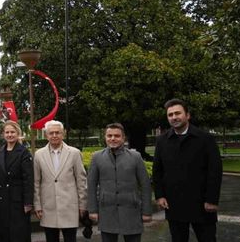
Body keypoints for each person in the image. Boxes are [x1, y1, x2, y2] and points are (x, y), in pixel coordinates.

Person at [153, 99, 222, 242]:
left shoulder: (205, 139)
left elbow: (214, 171)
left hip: (202, 204)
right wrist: (159, 196)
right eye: (170, 115)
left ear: (187, 115)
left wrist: (212, 200)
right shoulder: (162, 141)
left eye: (177, 113)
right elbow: (157, 170)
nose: (174, 117)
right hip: (174, 204)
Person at [87, 123, 152, 242]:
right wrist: (92, 210)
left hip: (132, 211)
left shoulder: (135, 157)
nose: (113, 138)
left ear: (123, 138)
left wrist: (146, 211)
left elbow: (145, 185)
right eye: (109, 135)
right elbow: (91, 185)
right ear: (105, 137)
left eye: (117, 136)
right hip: (107, 211)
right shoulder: (97, 157)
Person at [33, 120, 87, 242]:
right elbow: (36, 182)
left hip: (70, 206)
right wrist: (37, 205)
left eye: (58, 132)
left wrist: (82, 204)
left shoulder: (74, 153)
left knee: (70, 239)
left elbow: (81, 180)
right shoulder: (39, 155)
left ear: (63, 134)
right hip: (48, 207)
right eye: (51, 133)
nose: (54, 135)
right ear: (46, 135)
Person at [0, 121, 33, 242]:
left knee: (18, 234)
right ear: (3, 134)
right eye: (7, 132)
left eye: (12, 132)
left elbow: (28, 179)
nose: (10, 135)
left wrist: (28, 203)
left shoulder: (24, 152)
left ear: (18, 133)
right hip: (1, 201)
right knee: (3, 234)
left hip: (18, 201)